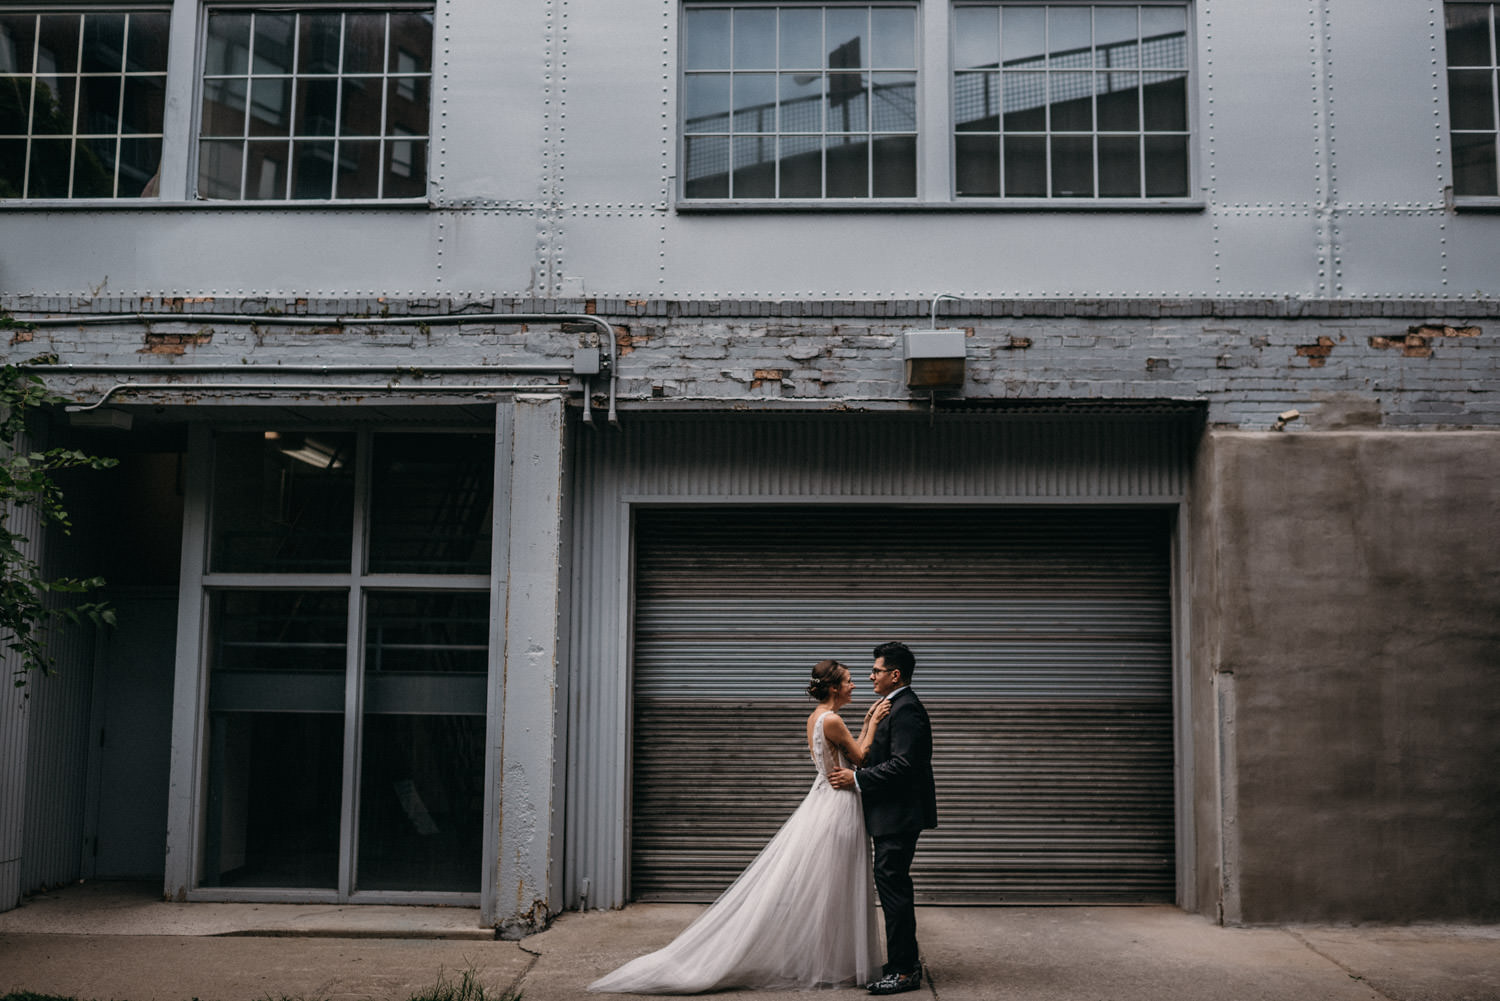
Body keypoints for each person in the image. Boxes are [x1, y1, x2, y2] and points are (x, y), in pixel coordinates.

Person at [587, 659, 891, 993]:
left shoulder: (818, 717)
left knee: (831, 887)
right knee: (836, 887)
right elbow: (861, 759)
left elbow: (848, 756)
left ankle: (829, 962)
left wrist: (863, 723)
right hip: (838, 805)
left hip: (826, 800)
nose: (855, 685)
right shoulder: (832, 720)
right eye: (848, 681)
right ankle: (831, 963)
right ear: (834, 687)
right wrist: (873, 722)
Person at [828, 641, 937, 996]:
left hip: (899, 815)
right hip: (891, 814)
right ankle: (901, 962)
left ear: (895, 674)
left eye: (876, 671)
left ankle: (905, 971)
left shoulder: (907, 709)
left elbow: (905, 765)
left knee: (894, 888)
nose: (870, 676)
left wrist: (857, 779)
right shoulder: (894, 705)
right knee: (892, 886)